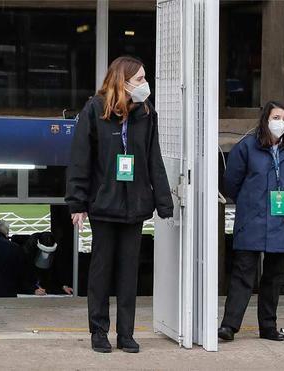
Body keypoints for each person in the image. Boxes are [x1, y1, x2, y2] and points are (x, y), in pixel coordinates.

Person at [66, 56, 174, 353]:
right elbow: (80, 159)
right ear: (122, 81)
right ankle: (98, 331)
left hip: (135, 206)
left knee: (129, 273)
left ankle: (126, 333)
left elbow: (154, 159)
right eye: (139, 79)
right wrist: (77, 203)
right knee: (101, 272)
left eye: (144, 78)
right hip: (104, 206)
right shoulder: (94, 110)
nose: (144, 85)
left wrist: (163, 202)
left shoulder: (147, 114)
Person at [218, 100, 284, 342]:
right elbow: (231, 182)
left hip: (283, 222)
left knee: (274, 278)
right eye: (276, 118)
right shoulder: (247, 147)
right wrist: (250, 202)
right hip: (253, 220)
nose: (281, 123)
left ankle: (268, 327)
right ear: (265, 119)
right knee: (243, 275)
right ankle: (229, 325)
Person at [20, 232, 74, 296]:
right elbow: (22, 278)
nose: (46, 256)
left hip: (45, 289)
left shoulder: (57, 254)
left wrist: (63, 286)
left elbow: (55, 274)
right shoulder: (27, 253)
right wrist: (33, 289)